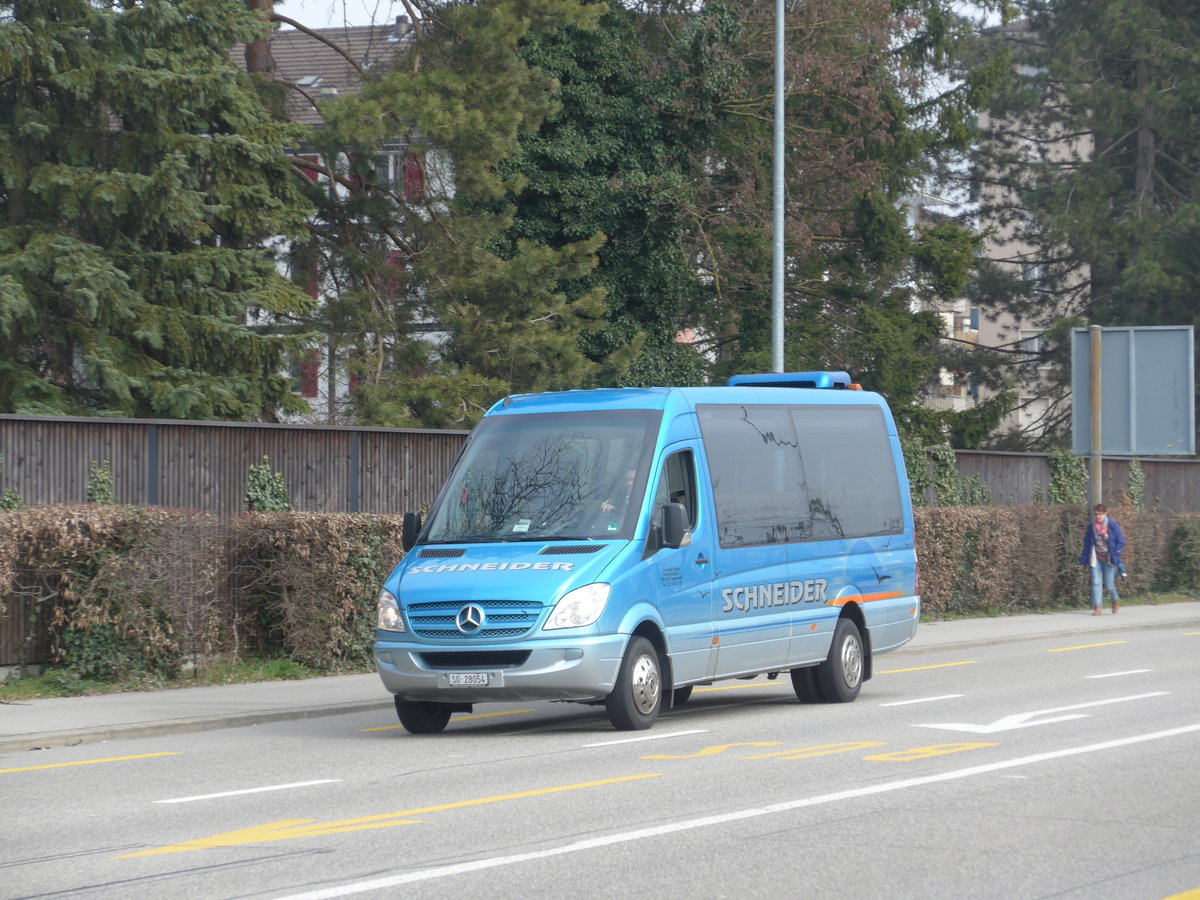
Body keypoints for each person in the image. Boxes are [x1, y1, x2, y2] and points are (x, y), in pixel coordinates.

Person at [1080, 503, 1125, 615]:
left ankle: (1115, 600)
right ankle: (1098, 607)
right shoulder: (1091, 528)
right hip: (1096, 558)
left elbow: (1121, 540)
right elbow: (1087, 545)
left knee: (1109, 585)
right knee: (1095, 582)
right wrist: (1083, 560)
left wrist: (1117, 552)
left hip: (1109, 559)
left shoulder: (1112, 525)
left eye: (1100, 514)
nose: (1098, 516)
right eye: (1096, 514)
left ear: (1105, 514)